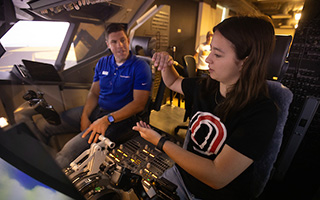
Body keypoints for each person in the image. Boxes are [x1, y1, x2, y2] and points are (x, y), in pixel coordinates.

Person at [133, 16, 278, 199]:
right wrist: (165, 63)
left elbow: (218, 176)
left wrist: (160, 142)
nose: (208, 59)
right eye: (211, 51)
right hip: (181, 177)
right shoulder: (206, 86)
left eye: (217, 54)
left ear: (246, 62)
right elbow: (174, 81)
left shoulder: (260, 112)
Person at [36, 23, 152, 169]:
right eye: (114, 42)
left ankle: (48, 179)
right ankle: (40, 161)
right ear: (108, 44)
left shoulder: (140, 66)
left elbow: (139, 104)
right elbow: (94, 93)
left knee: (67, 153)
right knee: (43, 125)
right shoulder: (102, 63)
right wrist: (85, 116)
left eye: (122, 40)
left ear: (128, 40)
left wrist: (107, 119)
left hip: (121, 120)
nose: (120, 45)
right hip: (99, 111)